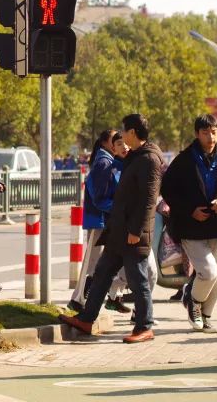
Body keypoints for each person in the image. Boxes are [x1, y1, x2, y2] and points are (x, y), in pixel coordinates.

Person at [60, 113, 164, 344]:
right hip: (118, 231)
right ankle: (87, 318)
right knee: (102, 273)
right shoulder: (136, 156)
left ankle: (144, 326)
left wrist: (136, 232)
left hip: (133, 233)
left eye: (124, 132)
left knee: (138, 279)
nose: (122, 136)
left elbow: (148, 200)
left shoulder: (149, 160)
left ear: (133, 133)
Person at [161, 114, 217, 334]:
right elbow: (168, 190)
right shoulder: (184, 160)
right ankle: (192, 302)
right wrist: (190, 210)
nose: (211, 136)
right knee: (208, 274)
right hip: (191, 227)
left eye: (214, 131)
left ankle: (206, 316)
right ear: (197, 134)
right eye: (206, 132)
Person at [69, 129, 121, 312]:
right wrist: (116, 207)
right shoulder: (104, 162)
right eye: (115, 140)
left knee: (97, 262)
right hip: (98, 219)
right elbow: (99, 195)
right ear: (106, 143)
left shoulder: (109, 161)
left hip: (103, 219)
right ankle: (78, 300)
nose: (120, 143)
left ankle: (85, 298)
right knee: (91, 262)